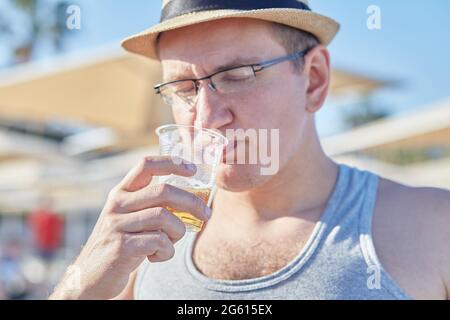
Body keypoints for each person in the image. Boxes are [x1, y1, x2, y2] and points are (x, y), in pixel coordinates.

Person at [50, 0, 450, 300]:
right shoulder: (147, 245)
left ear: (313, 79)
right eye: (184, 89)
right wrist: (82, 281)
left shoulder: (433, 228)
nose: (207, 117)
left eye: (237, 75)